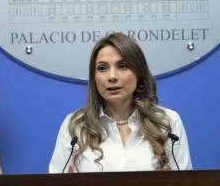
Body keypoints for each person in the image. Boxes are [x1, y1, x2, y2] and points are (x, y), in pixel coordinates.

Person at [49, 32, 192, 173]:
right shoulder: (75, 126)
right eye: (102, 68)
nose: (112, 76)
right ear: (94, 77)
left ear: (139, 73)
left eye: (122, 66)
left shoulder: (167, 122)